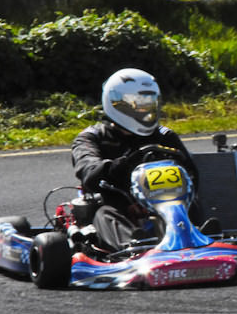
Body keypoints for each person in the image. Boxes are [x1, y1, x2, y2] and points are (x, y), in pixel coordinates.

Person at [71, 68, 201, 250]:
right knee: (104, 213)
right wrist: (122, 164)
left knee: (191, 204)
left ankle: (203, 237)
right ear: (117, 103)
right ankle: (136, 248)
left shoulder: (165, 136)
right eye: (139, 104)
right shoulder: (92, 138)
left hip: (167, 205)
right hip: (119, 207)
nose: (145, 110)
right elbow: (89, 173)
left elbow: (192, 175)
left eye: (149, 103)